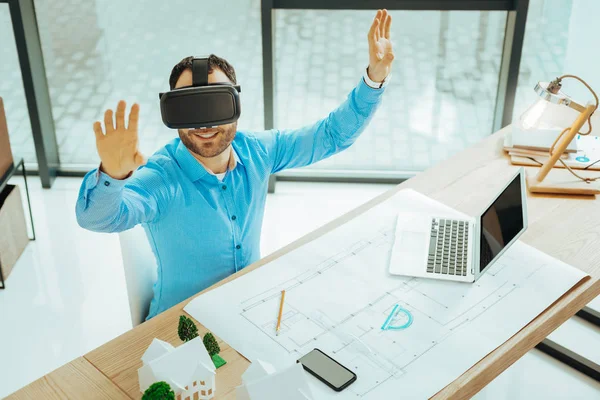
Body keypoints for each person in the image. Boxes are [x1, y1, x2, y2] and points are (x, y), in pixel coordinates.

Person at [76, 9, 395, 319]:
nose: (203, 124)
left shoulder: (259, 151)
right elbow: (98, 218)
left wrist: (373, 80)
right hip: (180, 325)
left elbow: (332, 135)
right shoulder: (161, 177)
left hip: (248, 309)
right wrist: (113, 175)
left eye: (214, 102)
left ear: (235, 103)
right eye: (189, 108)